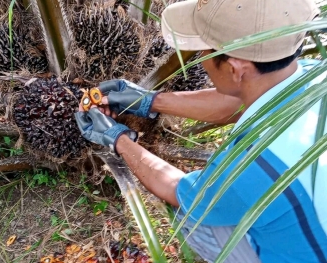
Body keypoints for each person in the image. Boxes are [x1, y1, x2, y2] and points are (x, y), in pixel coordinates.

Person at [75, 0, 327, 262]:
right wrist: (148, 101)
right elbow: (239, 102)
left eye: (204, 49)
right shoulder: (314, 75)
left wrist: (117, 139)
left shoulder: (254, 164)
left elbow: (178, 189)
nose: (200, 58)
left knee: (193, 219)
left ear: (235, 68)